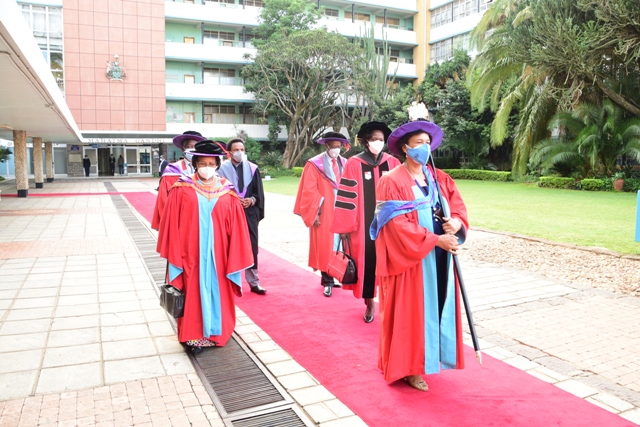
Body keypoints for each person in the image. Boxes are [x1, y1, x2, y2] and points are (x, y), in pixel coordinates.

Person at [370, 109, 469, 392]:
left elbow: (457, 207)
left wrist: (456, 223)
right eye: (418, 143)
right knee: (411, 313)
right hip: (411, 260)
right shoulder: (392, 181)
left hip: (440, 257)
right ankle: (409, 367)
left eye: (427, 142)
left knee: (437, 305)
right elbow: (395, 226)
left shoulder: (439, 178)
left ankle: (432, 357)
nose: (424, 147)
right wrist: (436, 240)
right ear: (405, 147)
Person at [156, 140, 254, 353]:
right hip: (190, 252)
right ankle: (193, 336)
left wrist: (233, 253)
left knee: (218, 290)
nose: (206, 167)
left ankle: (216, 332)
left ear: (217, 165)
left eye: (210, 163)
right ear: (195, 164)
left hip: (220, 254)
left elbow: (237, 228)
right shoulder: (181, 188)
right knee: (192, 291)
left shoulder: (227, 191)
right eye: (202, 163)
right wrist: (176, 252)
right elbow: (171, 223)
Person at [331, 121, 400, 323]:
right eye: (374, 139)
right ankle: (369, 303)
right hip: (363, 225)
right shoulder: (354, 163)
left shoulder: (393, 163)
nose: (378, 142)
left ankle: (390, 303)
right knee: (367, 264)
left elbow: (401, 193)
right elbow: (346, 196)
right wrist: (345, 227)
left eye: (381, 139)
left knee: (390, 262)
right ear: (366, 141)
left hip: (389, 224)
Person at [294, 132, 348, 297]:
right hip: (325, 211)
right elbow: (309, 190)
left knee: (341, 245)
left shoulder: (345, 163)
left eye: (339, 147)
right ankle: (327, 281)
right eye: (333, 146)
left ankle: (337, 274)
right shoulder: (315, 165)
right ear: (327, 146)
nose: (336, 149)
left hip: (343, 211)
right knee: (326, 245)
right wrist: (316, 212)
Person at [218, 138, 267, 295]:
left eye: (242, 149)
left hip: (249, 212)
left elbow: (258, 192)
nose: (239, 152)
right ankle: (227, 280)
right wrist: (232, 200)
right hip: (229, 213)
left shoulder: (252, 168)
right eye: (236, 150)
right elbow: (217, 192)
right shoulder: (221, 170)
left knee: (251, 246)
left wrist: (251, 200)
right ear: (229, 152)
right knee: (227, 245)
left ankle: (254, 282)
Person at [151, 131, 206, 230]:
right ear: (183, 148)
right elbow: (164, 201)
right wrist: (170, 224)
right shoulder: (172, 171)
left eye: (196, 146)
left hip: (203, 220)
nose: (193, 149)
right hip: (180, 221)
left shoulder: (209, 170)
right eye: (189, 146)